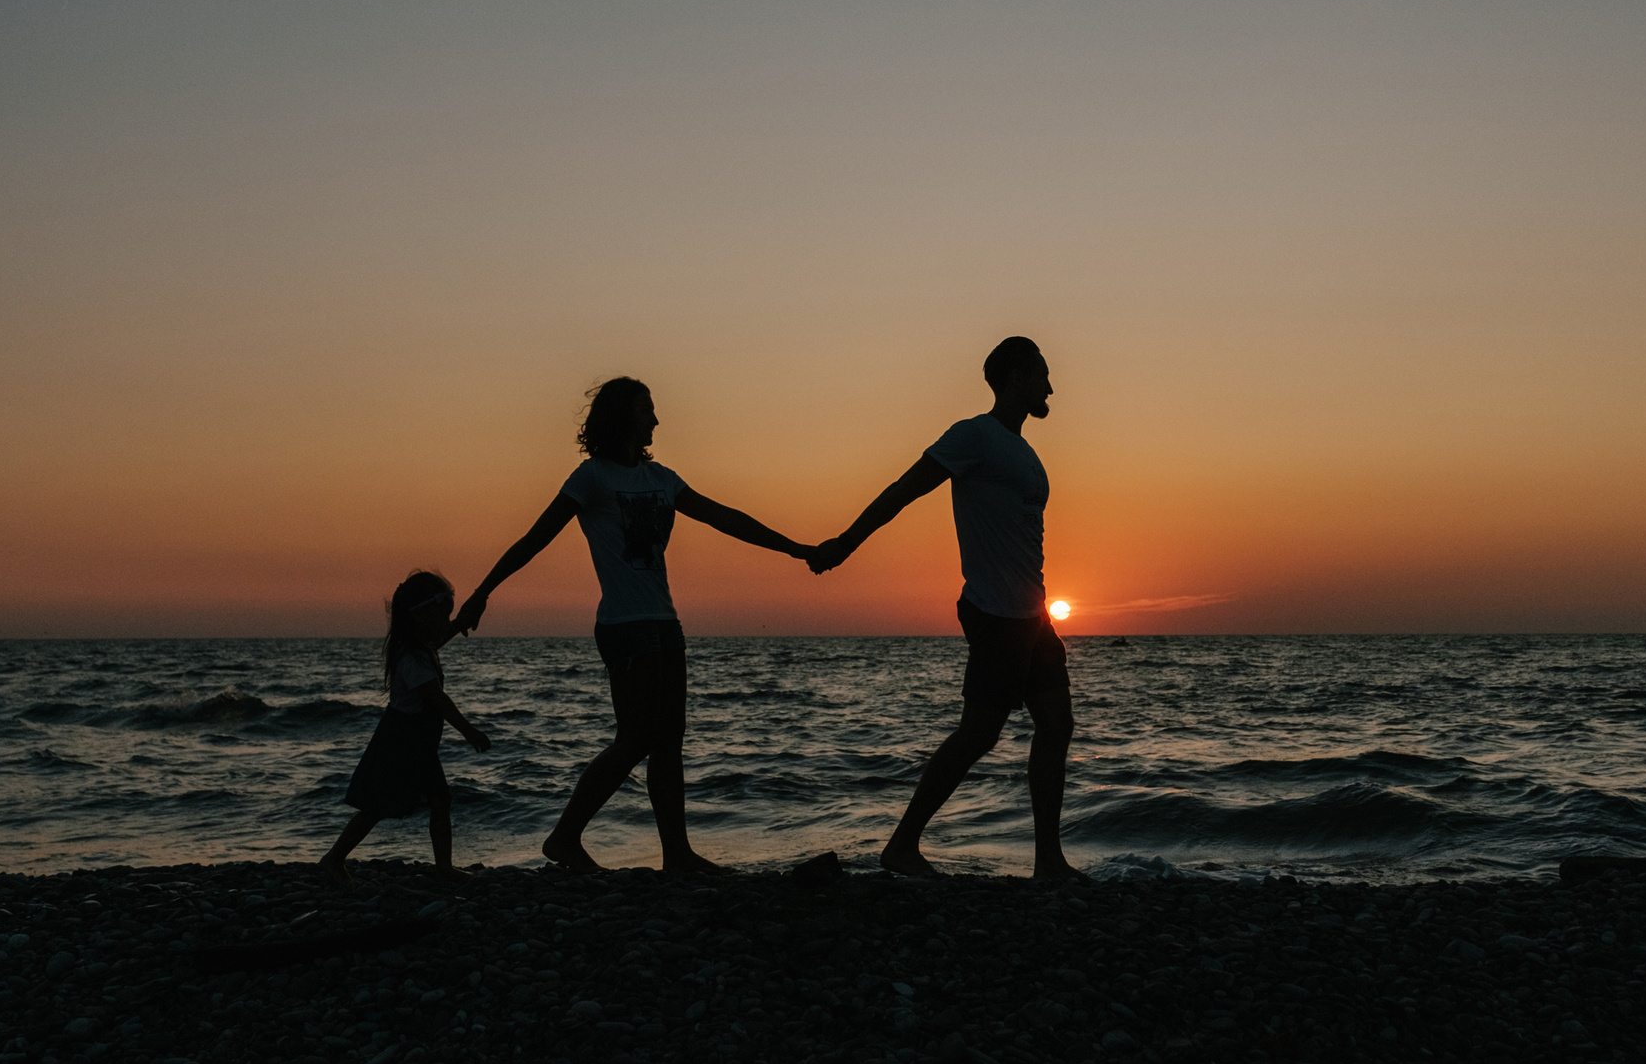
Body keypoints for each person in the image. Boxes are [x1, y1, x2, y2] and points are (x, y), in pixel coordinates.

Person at [453, 376, 812, 874]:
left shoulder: (662, 478)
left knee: (669, 740)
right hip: (624, 624)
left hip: (665, 620)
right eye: (647, 411)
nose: (657, 421)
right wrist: (481, 594)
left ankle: (677, 855)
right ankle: (563, 838)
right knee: (636, 738)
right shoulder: (591, 477)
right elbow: (534, 538)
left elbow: (724, 517)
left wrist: (796, 549)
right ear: (623, 417)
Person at [809, 336, 1082, 883]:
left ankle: (1048, 861)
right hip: (994, 612)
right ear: (1015, 376)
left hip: (1033, 615)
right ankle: (901, 847)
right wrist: (844, 543)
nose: (1051, 386)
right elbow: (903, 490)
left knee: (1056, 722)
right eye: (1042, 374)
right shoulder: (973, 436)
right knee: (980, 732)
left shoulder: (1024, 451)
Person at [321, 570, 490, 891]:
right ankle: (334, 857)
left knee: (440, 799)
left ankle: (444, 866)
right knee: (377, 806)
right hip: (402, 741)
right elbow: (437, 700)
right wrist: (469, 731)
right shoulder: (411, 657)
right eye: (442, 614)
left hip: (418, 743)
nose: (445, 621)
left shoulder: (419, 648)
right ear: (418, 616)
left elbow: (438, 639)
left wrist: (457, 625)